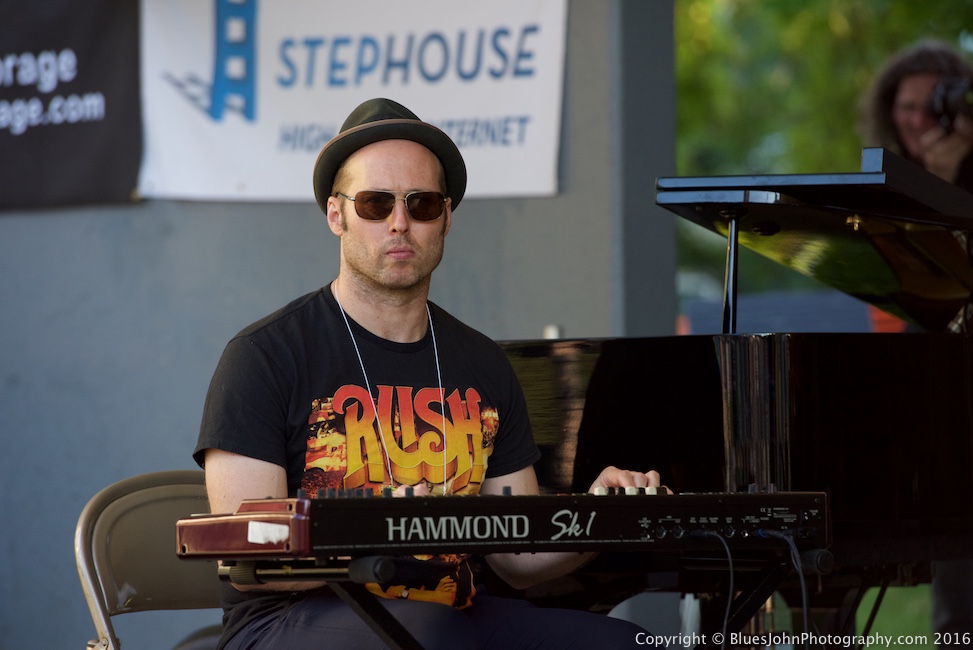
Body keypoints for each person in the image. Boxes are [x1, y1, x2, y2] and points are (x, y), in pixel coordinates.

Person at [194, 97, 662, 649]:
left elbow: (517, 558)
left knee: (631, 642)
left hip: (448, 617)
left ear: (445, 218)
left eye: (421, 204)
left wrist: (597, 516)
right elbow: (248, 551)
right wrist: (373, 532)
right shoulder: (264, 355)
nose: (400, 222)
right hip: (287, 622)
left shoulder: (482, 364)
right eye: (375, 202)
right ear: (336, 214)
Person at [860, 39, 973, 641]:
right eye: (907, 106)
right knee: (958, 599)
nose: (921, 119)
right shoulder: (886, 188)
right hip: (940, 398)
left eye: (937, 104)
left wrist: (954, 178)